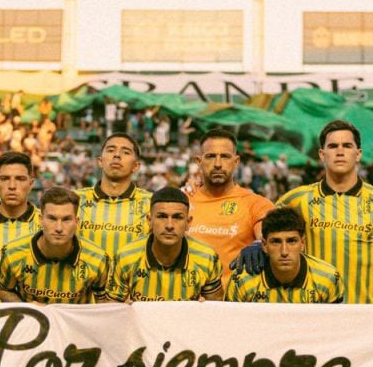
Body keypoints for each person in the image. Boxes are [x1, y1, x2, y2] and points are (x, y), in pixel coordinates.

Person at [238, 120, 373, 303]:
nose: (339, 152)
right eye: (332, 146)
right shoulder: (297, 199)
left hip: (363, 310)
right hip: (313, 311)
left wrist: (365, 265)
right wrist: (258, 242)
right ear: (322, 154)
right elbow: (267, 229)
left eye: (347, 146)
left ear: (358, 154)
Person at [106, 186, 223, 302]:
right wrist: (124, 310)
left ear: (188, 222)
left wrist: (204, 309)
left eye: (177, 217)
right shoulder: (126, 257)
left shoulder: (207, 258)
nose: (169, 225)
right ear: (149, 220)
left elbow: (215, 310)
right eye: (162, 216)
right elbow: (111, 310)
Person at [0, 187, 110, 304]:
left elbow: (103, 302)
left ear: (76, 222)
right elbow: (4, 289)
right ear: (41, 220)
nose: (59, 228)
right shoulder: (13, 253)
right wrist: (27, 309)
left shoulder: (97, 259)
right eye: (52, 219)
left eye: (66, 219)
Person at [187, 127, 274, 278]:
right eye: (211, 156)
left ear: (236, 161)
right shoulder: (183, 202)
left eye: (225, 156)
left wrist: (259, 243)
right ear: (199, 161)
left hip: (234, 299)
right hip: (189, 299)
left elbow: (269, 235)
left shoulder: (256, 203)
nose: (218, 164)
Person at [225, 207, 344, 304]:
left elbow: (334, 328)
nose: (284, 252)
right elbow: (233, 328)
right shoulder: (242, 281)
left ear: (302, 243)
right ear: (264, 245)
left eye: (291, 241)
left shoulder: (328, 278)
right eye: (276, 242)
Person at [74, 133, 151, 258]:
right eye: (110, 150)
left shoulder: (151, 203)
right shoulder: (75, 199)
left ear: (136, 166)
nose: (117, 155)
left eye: (126, 152)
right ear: (100, 161)